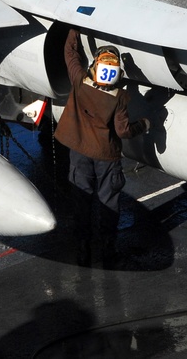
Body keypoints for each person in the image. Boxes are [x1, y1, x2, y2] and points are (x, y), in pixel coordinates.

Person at [54, 29, 149, 267]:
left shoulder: (79, 81)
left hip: (79, 153)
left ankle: (83, 250)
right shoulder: (119, 98)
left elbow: (70, 54)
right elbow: (123, 131)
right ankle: (108, 249)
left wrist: (73, 28)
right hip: (106, 156)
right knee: (109, 202)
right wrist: (144, 125)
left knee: (81, 201)